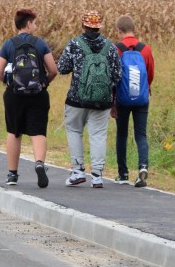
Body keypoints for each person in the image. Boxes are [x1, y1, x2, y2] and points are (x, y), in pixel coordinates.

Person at [0, 8, 58, 188]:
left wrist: (9, 82)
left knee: (14, 131)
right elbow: (53, 70)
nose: (35, 26)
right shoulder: (40, 44)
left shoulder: (8, 44)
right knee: (38, 131)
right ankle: (39, 163)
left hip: (14, 94)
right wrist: (44, 83)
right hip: (38, 94)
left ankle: (12, 174)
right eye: (34, 23)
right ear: (28, 24)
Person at [57, 10, 121, 189]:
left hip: (76, 99)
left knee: (74, 131)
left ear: (82, 25)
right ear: (100, 27)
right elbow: (117, 75)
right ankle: (98, 176)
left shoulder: (74, 44)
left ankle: (77, 171)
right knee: (98, 135)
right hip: (103, 100)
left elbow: (62, 68)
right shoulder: (110, 47)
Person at [113, 15, 155, 187]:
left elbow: (114, 76)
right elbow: (150, 74)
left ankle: (123, 174)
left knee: (121, 134)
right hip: (141, 98)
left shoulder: (116, 49)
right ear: (134, 29)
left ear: (119, 31)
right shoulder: (145, 49)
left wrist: (113, 100)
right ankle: (143, 166)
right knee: (141, 135)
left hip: (122, 99)